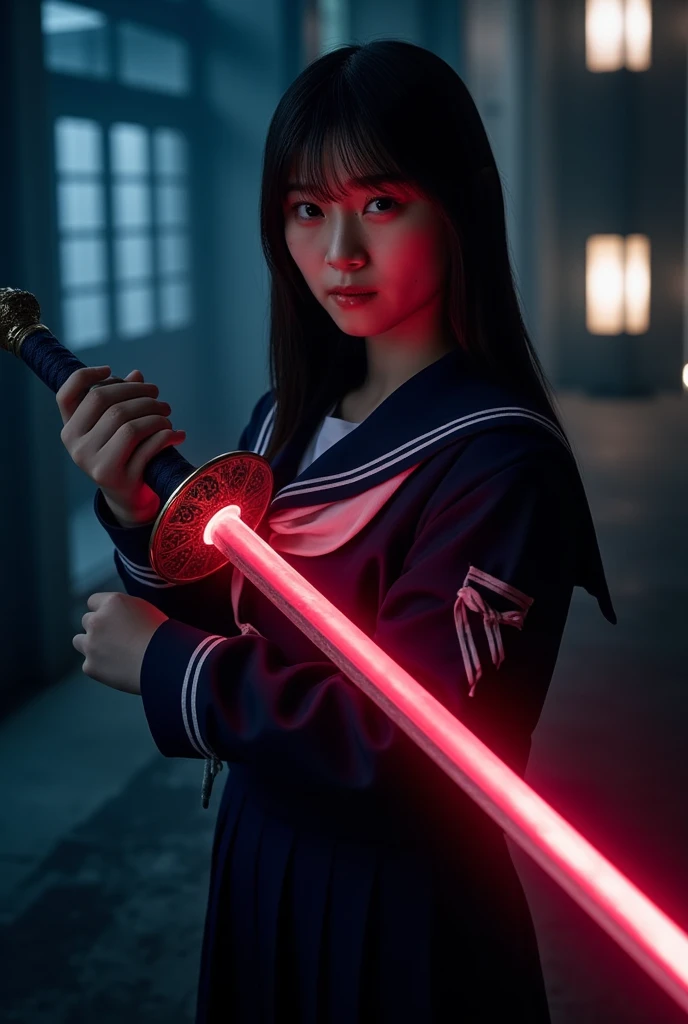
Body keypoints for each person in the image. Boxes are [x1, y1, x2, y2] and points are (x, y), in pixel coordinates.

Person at [58, 40, 616, 1023]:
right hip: (260, 854)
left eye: (381, 202)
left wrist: (173, 669)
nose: (338, 251)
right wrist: (140, 518)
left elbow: (417, 748)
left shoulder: (499, 464)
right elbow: (249, 614)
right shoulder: (283, 418)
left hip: (404, 903)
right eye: (306, 209)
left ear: (459, 205)